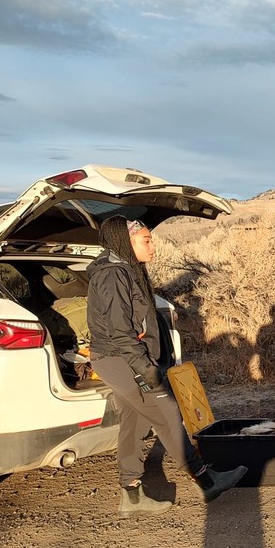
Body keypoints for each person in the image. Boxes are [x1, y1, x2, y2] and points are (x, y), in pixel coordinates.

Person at [86, 216, 246, 517]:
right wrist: (145, 368)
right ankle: (206, 479)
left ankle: (130, 495)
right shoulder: (113, 275)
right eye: (146, 240)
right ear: (126, 241)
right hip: (123, 360)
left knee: (133, 421)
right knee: (167, 412)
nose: (152, 245)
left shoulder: (123, 271)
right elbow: (120, 332)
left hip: (121, 358)